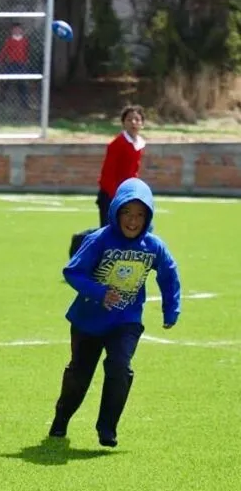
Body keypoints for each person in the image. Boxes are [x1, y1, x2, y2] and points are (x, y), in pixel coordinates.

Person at [49, 178, 181, 448]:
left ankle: (107, 428)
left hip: (125, 320)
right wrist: (99, 292)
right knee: (80, 374)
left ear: (148, 216)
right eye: (127, 213)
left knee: (120, 366)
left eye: (140, 215)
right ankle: (62, 418)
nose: (133, 221)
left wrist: (171, 309)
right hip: (88, 320)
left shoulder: (153, 246)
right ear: (116, 211)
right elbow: (72, 272)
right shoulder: (99, 239)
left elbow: (169, 274)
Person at [69, 105, 146, 257]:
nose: (133, 122)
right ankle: (80, 240)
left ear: (142, 123)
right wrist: (114, 197)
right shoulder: (117, 144)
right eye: (129, 119)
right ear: (123, 123)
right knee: (108, 231)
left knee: (121, 230)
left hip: (125, 196)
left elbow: (133, 172)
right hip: (110, 195)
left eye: (137, 119)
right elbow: (108, 174)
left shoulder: (138, 144)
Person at [0, 23, 30, 109]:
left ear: (21, 30)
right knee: (7, 82)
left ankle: (24, 103)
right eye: (15, 29)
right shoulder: (9, 40)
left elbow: (26, 52)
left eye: (19, 29)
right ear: (12, 31)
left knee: (22, 83)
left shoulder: (24, 40)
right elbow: (4, 51)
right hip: (11, 64)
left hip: (21, 64)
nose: (17, 31)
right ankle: (1, 99)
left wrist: (26, 61)